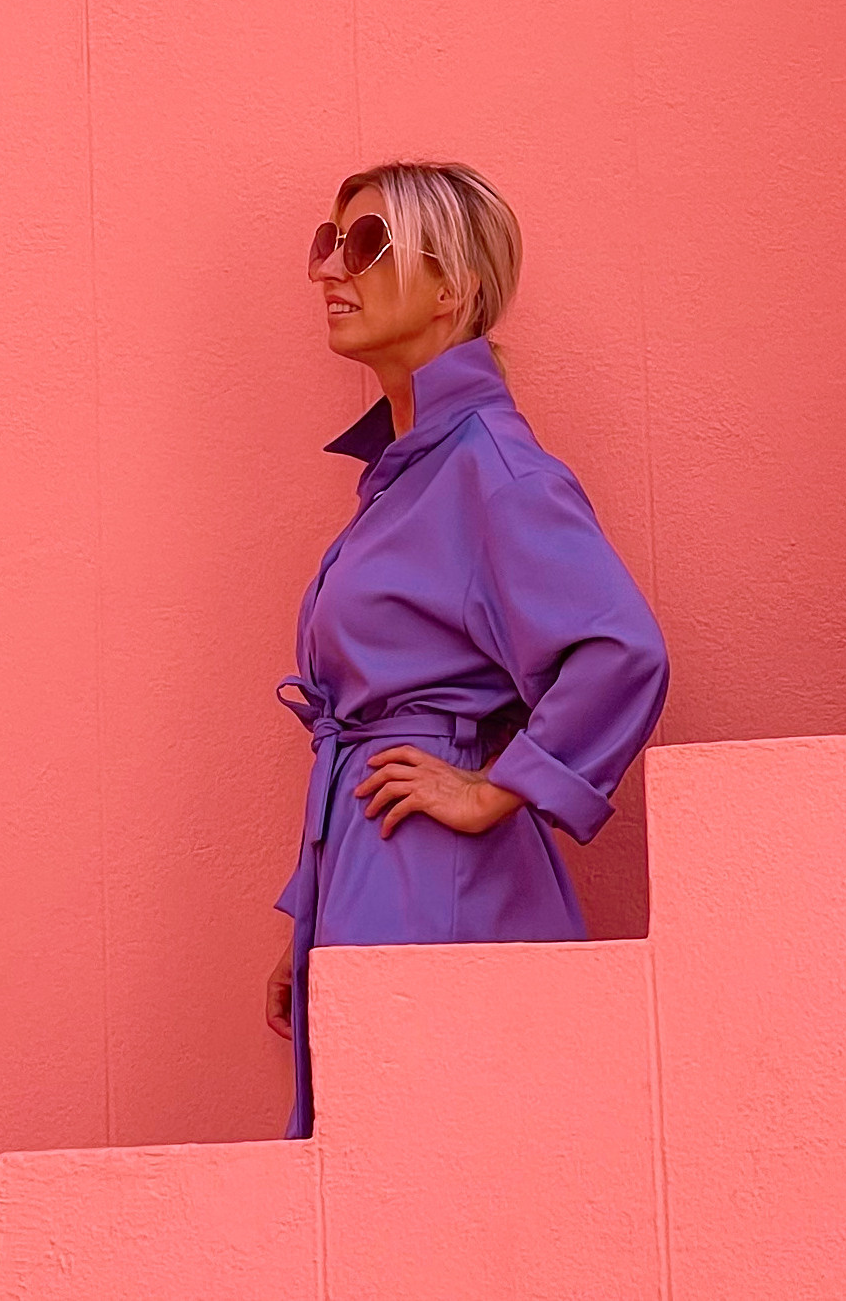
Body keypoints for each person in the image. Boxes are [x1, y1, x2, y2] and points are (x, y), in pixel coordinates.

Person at [269, 161, 669, 1138]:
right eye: (329, 243)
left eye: (366, 245)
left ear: (450, 287)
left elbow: (620, 648)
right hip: (372, 860)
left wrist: (492, 789)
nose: (331, 269)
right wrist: (309, 910)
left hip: (432, 874)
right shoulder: (409, 474)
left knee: (417, 1150)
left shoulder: (492, 466)